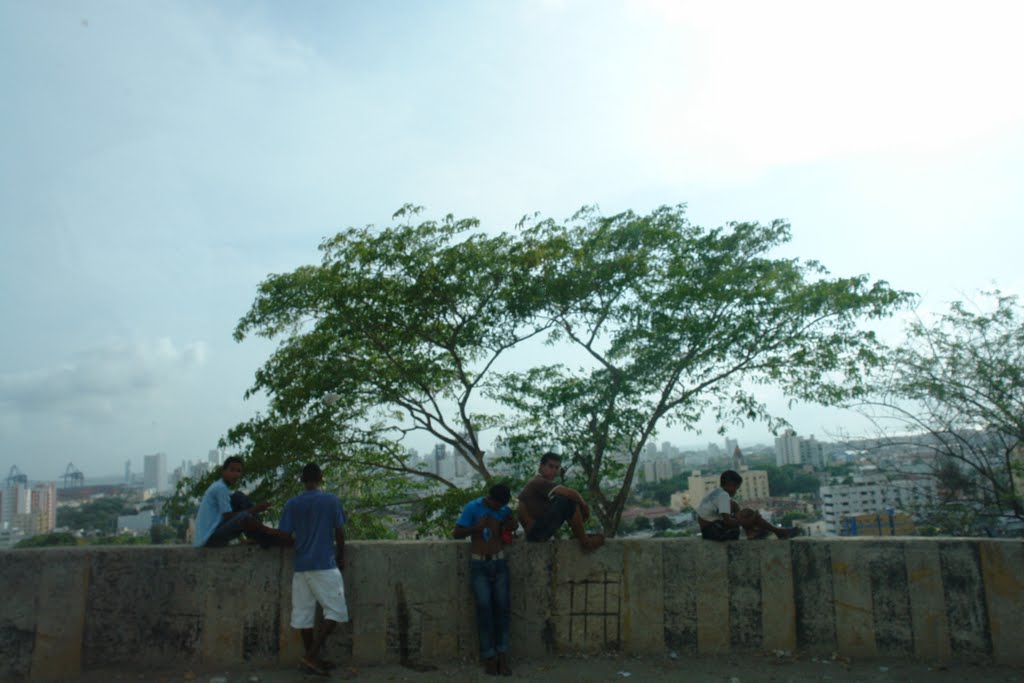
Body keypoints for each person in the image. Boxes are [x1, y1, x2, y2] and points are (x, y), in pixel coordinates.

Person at [278, 463, 349, 677]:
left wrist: (301, 544)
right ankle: (311, 656)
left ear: (302, 480)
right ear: (320, 478)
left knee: (303, 614)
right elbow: (340, 532)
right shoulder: (331, 500)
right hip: (324, 565)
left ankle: (313, 658)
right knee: (336, 611)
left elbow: (284, 535)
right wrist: (341, 556)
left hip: (301, 566)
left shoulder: (292, 504)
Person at [454, 484, 518, 676]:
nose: (498, 508)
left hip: (499, 563)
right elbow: (456, 533)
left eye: (502, 506)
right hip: (479, 565)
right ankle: (489, 657)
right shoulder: (472, 508)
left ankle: (503, 655)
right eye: (496, 505)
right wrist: (476, 528)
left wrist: (511, 525)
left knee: (502, 610)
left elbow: (512, 527)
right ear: (489, 499)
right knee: (484, 611)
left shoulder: (504, 510)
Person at [193, 456, 288, 548]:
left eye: (238, 471)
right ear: (224, 471)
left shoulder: (221, 486)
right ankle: (270, 534)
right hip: (210, 539)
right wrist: (255, 509)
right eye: (232, 470)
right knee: (244, 516)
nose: (236, 474)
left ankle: (257, 536)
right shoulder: (220, 488)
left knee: (239, 497)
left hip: (213, 534)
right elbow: (228, 517)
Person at [517, 452, 604, 551]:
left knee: (564, 500)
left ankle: (579, 535)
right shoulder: (538, 482)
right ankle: (585, 541)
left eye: (556, 467)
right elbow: (570, 493)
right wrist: (584, 507)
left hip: (538, 530)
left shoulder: (542, 484)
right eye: (550, 466)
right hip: (535, 533)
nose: (554, 470)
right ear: (541, 466)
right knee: (567, 501)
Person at [697, 470, 800, 541]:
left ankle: (755, 532)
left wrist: (747, 518)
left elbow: (732, 511)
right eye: (736, 488)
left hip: (708, 531)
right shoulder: (723, 496)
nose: (735, 491)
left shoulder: (717, 492)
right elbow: (727, 522)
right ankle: (777, 532)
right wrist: (748, 521)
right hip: (714, 532)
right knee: (750, 514)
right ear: (730, 485)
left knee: (743, 509)